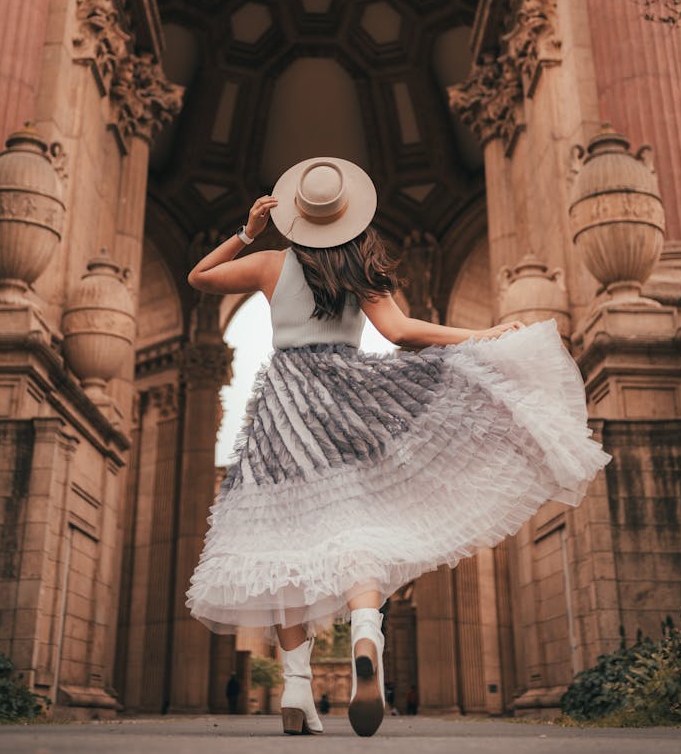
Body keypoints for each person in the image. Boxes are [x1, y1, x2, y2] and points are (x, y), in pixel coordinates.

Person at [185, 157, 610, 738]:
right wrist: (479, 335)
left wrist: (246, 233)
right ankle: (365, 629)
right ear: (348, 218)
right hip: (350, 397)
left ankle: (296, 689)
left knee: (278, 537)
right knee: (358, 521)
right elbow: (404, 333)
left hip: (285, 406)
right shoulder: (361, 270)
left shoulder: (268, 265)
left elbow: (199, 278)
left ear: (296, 216)